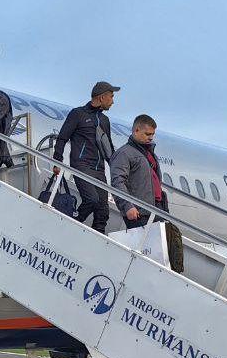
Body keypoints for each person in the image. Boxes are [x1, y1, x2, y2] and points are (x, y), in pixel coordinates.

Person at [109, 115, 182, 272]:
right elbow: (117, 181)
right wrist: (127, 206)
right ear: (136, 130)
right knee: (148, 257)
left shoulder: (149, 154)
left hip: (157, 209)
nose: (151, 138)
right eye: (147, 134)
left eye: (152, 134)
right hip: (139, 213)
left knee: (171, 247)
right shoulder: (125, 153)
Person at [52, 81, 119, 233]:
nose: (113, 101)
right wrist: (57, 162)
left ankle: (97, 240)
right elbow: (62, 138)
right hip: (82, 166)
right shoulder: (78, 114)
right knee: (91, 200)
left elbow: (109, 148)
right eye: (111, 97)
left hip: (99, 170)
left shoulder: (105, 120)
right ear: (102, 97)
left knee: (103, 211)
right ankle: (70, 224)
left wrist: (118, 169)